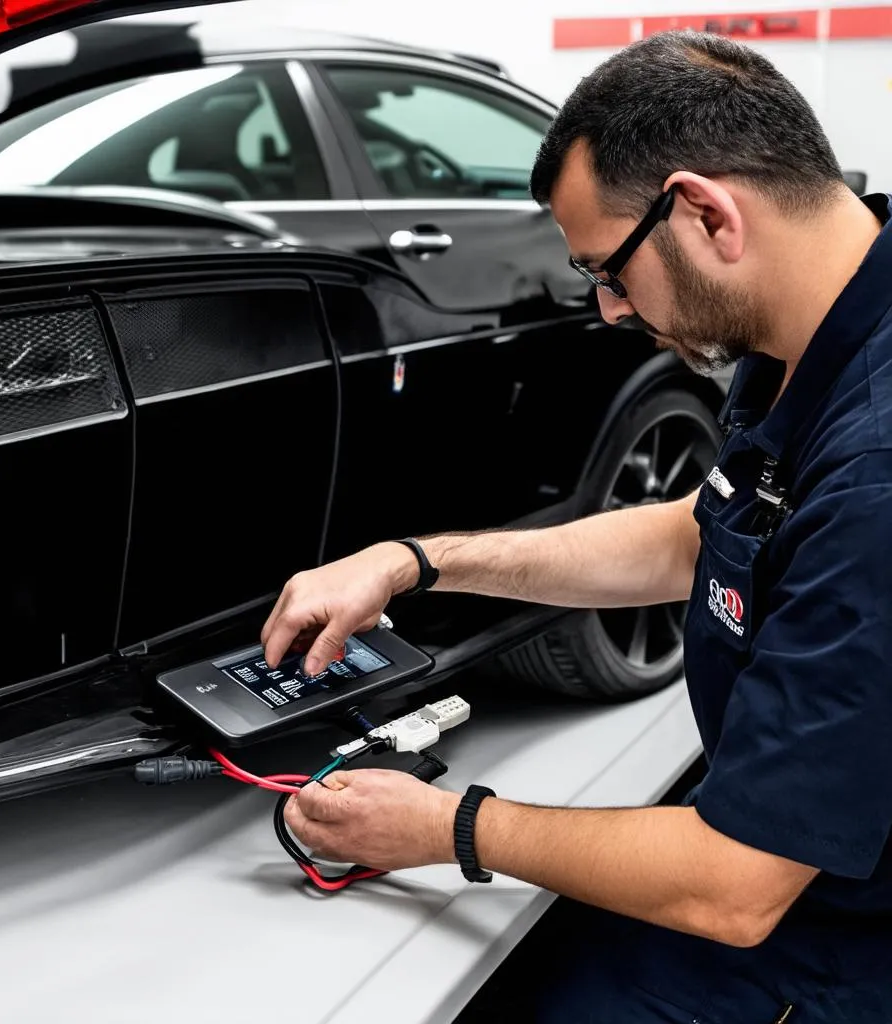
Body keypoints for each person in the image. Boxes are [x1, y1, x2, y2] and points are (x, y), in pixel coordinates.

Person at [261, 30, 892, 1022]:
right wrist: (417, 562)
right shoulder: (812, 332)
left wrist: (445, 825)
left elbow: (730, 887)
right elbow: (699, 534)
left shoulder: (875, 479)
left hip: (838, 947)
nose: (605, 310)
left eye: (607, 269)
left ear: (702, 213)